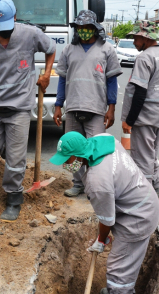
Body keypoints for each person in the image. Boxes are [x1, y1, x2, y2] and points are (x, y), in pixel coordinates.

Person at [0, 0, 56, 222]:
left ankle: (14, 199)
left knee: (16, 160)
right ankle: (7, 150)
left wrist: (46, 74)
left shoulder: (30, 34)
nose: (3, 34)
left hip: (19, 108)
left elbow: (51, 49)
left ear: (14, 18)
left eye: (7, 27)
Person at [49, 131, 159, 294]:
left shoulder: (97, 182)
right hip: (140, 197)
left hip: (139, 216)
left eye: (67, 160)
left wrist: (100, 240)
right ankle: (119, 290)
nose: (64, 165)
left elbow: (107, 220)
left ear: (78, 156)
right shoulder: (105, 139)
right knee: (125, 262)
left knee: (119, 268)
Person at [53, 10, 122, 198]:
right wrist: (58, 105)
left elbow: (111, 81)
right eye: (80, 27)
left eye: (87, 27)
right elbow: (62, 80)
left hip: (96, 107)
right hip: (73, 106)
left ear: (95, 28)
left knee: (96, 151)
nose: (83, 30)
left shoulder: (107, 49)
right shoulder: (68, 50)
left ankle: (97, 185)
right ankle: (78, 183)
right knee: (73, 149)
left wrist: (111, 107)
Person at [121, 21, 159, 193]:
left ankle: (145, 197)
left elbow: (139, 93)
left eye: (136, 38)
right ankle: (156, 186)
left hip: (145, 118)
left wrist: (129, 121)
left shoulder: (144, 58)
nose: (134, 42)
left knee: (142, 159)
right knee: (151, 154)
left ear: (145, 38)